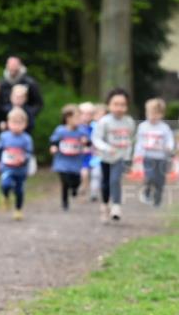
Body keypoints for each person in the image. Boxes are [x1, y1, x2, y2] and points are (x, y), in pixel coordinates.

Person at [91, 89, 136, 222]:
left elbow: (130, 140)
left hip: (120, 157)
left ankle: (116, 206)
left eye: (123, 105)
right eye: (116, 104)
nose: (119, 108)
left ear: (127, 106)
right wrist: (107, 148)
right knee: (106, 183)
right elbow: (96, 139)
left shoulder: (129, 122)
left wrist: (128, 157)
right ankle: (105, 205)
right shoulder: (104, 122)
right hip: (105, 157)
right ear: (109, 105)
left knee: (115, 180)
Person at [135, 97, 174, 207]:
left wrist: (169, 147)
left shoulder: (164, 128)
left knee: (160, 181)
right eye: (150, 113)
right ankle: (146, 192)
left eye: (155, 114)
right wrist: (137, 155)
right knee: (150, 177)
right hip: (148, 157)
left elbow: (169, 140)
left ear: (161, 114)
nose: (152, 116)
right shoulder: (143, 127)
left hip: (161, 158)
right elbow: (139, 142)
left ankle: (157, 200)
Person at [0, 108, 34, 221]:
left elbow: (29, 153)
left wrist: (23, 158)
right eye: (13, 122)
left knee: (19, 190)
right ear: (8, 123)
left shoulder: (26, 138)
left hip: (21, 170)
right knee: (5, 184)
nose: (16, 126)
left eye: (19, 123)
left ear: (25, 124)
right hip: (6, 167)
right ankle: (5, 196)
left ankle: (18, 209)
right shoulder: (4, 136)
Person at [49, 104, 88, 211]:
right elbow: (54, 141)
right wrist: (53, 147)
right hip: (62, 161)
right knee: (65, 181)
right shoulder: (61, 130)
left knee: (76, 181)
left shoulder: (81, 131)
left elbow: (88, 142)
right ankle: (65, 202)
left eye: (80, 117)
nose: (79, 120)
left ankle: (74, 188)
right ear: (68, 118)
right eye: (76, 117)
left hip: (75, 161)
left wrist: (86, 143)